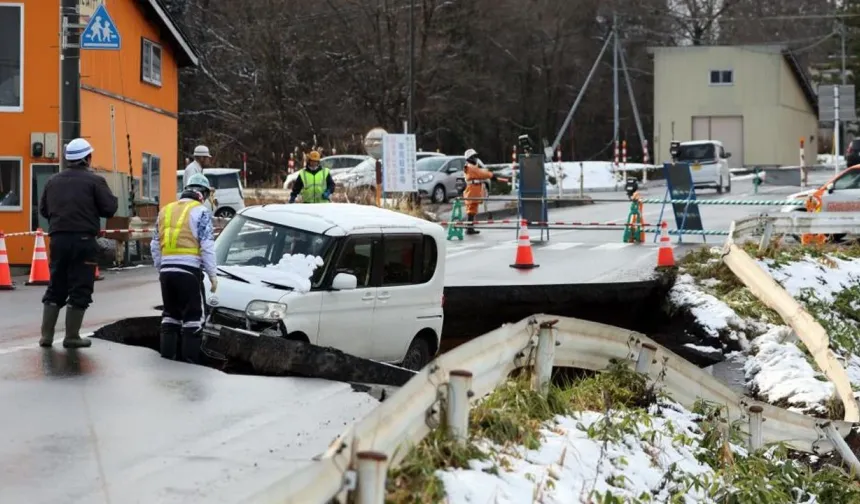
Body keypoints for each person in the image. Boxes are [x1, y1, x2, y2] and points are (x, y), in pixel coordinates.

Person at [38, 138, 118, 348]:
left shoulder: (53, 181)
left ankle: (46, 337)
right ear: (87, 158)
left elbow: (44, 210)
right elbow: (109, 209)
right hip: (84, 240)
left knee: (56, 285)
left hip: (58, 239)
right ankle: (72, 336)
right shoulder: (95, 181)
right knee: (81, 286)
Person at [150, 173, 218, 363]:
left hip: (167, 271)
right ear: (203, 194)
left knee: (170, 315)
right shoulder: (201, 212)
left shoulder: (165, 210)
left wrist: (162, 268)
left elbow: (155, 245)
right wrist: (212, 275)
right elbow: (207, 246)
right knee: (194, 317)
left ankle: (167, 359)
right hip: (189, 271)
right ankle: (189, 363)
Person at [462, 149, 496, 235]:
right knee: (471, 209)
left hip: (473, 189)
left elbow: (480, 173)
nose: (475, 159)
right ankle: (469, 228)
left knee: (472, 209)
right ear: (470, 158)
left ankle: (470, 228)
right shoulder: (470, 167)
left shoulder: (470, 166)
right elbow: (481, 173)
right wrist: (491, 175)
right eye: (473, 157)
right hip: (472, 189)